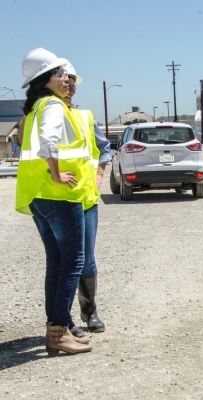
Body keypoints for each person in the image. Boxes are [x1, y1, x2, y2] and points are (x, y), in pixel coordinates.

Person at [16, 48, 100, 355]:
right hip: (60, 196)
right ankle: (59, 331)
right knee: (73, 262)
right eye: (61, 74)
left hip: (38, 195)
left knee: (57, 263)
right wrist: (57, 173)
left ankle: (57, 329)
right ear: (47, 80)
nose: (66, 78)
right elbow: (49, 141)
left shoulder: (36, 106)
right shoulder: (52, 106)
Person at [59, 60, 109, 336]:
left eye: (73, 85)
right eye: (67, 82)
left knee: (86, 259)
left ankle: (90, 312)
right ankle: (62, 318)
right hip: (57, 199)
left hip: (86, 199)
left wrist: (100, 174)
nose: (71, 89)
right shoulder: (44, 116)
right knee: (64, 260)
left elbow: (103, 150)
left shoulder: (85, 117)